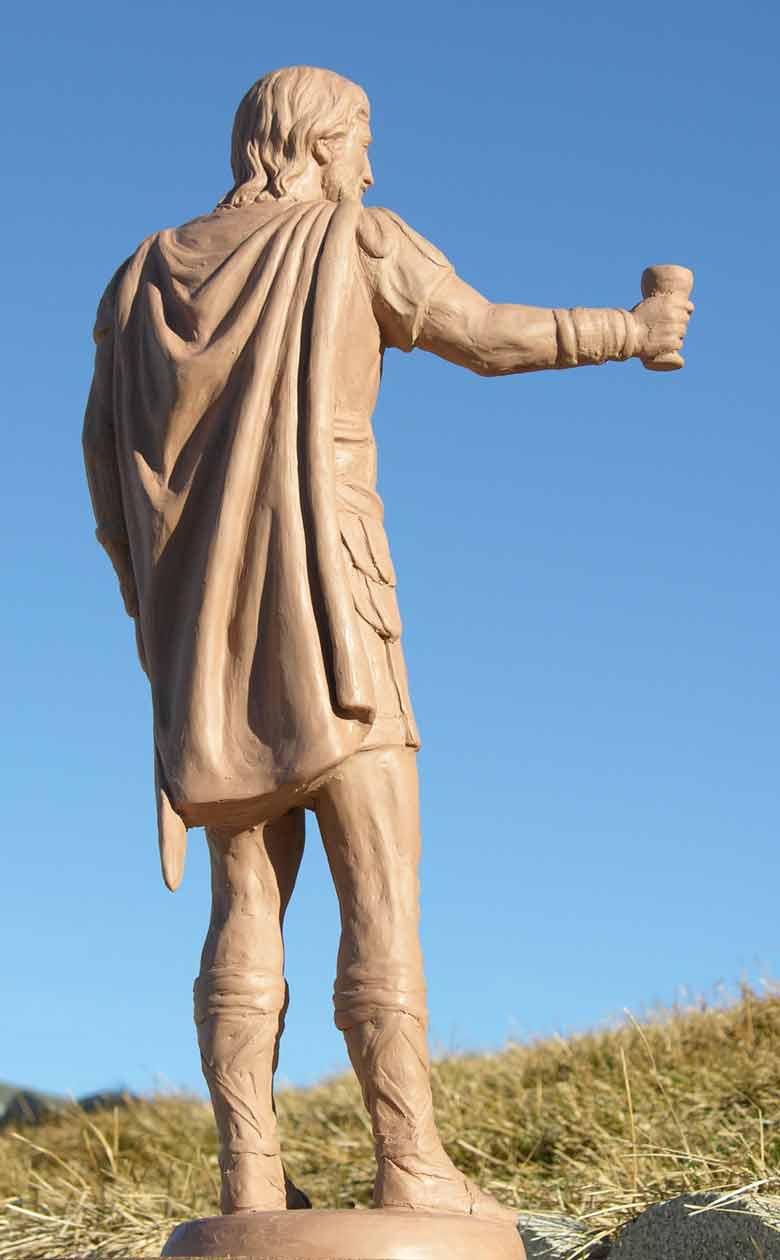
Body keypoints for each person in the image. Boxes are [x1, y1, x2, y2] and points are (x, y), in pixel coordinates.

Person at [83, 66, 692, 1222]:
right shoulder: (355, 240)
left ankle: (250, 1175)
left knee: (243, 898)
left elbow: (106, 482)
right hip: (337, 612)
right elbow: (487, 336)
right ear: (318, 143)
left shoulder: (143, 277)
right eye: (362, 139)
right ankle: (411, 1163)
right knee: (379, 888)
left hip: (203, 644)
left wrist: (158, 624)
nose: (371, 164)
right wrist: (634, 329)